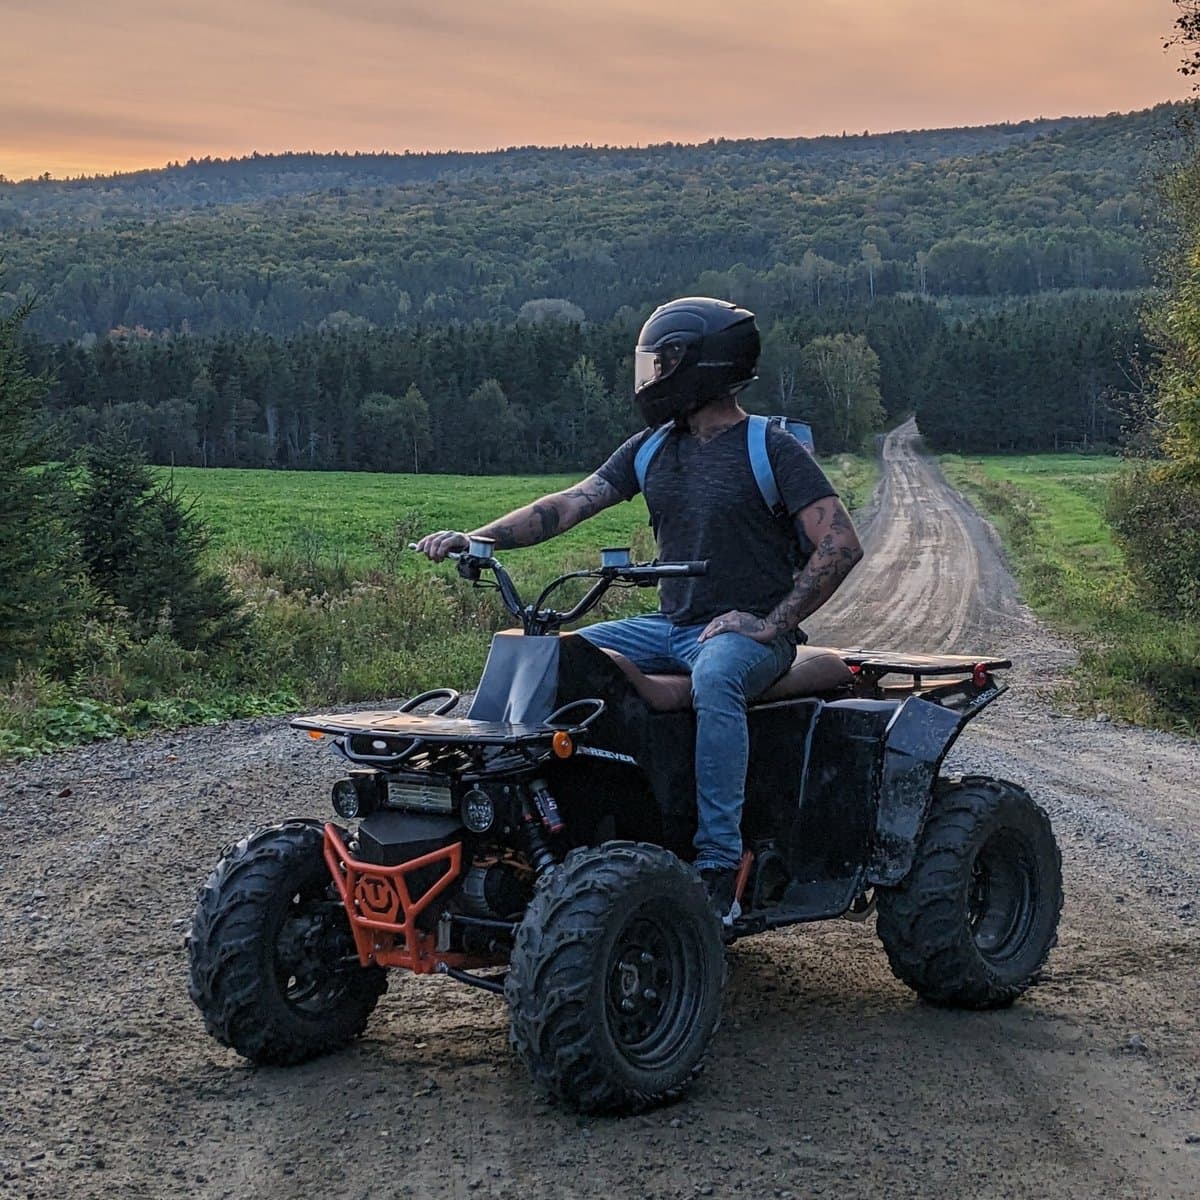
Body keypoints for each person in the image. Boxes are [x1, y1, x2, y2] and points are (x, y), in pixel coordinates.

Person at [416, 297, 863, 923]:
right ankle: (535, 829)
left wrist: (770, 624)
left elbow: (840, 544)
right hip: (671, 626)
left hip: (743, 634)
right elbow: (571, 502)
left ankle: (717, 866)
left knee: (716, 679)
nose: (651, 377)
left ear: (702, 364)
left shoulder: (771, 447)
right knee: (560, 655)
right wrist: (478, 539)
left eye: (663, 362)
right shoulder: (653, 447)